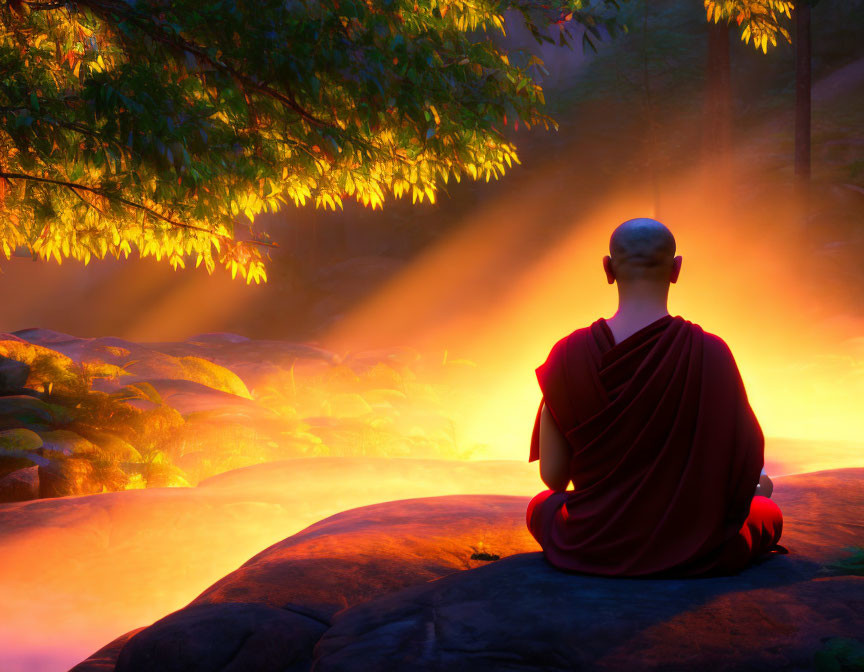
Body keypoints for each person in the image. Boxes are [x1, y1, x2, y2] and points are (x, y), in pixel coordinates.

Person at [525, 218, 784, 578]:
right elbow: (741, 466)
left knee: (542, 506)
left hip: (595, 541)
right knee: (766, 509)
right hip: (695, 544)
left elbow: (553, 479)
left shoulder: (569, 355)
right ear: (676, 269)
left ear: (608, 269)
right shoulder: (710, 352)